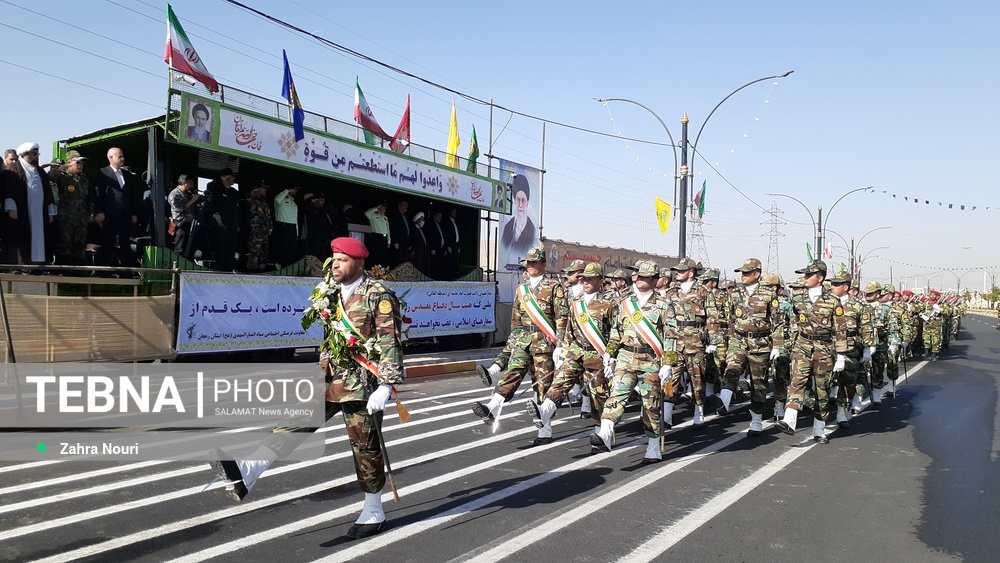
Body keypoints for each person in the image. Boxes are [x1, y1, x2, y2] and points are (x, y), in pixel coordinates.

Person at [209, 237, 403, 540]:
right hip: (329, 378)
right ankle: (249, 468)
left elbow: (390, 339)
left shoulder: (377, 294)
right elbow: (330, 338)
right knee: (296, 421)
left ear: (359, 263)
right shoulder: (330, 292)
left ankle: (374, 510)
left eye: (342, 260)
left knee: (365, 447)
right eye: (334, 259)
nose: (335, 264)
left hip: (362, 384)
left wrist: (387, 385)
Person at [473, 246, 567, 436]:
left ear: (543, 264)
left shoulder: (554, 287)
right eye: (528, 263)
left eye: (534, 262)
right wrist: (513, 343)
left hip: (544, 343)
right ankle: (493, 407)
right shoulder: (521, 290)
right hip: (524, 341)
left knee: (542, 384)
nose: (530, 266)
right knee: (512, 372)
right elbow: (516, 321)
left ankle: (545, 431)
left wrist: (560, 345)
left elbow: (562, 318)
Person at [591, 260, 676, 463]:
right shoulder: (626, 303)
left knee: (651, 405)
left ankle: (653, 446)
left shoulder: (664, 305)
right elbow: (616, 331)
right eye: (637, 275)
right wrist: (610, 353)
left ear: (654, 280)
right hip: (626, 358)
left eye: (644, 276)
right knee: (616, 395)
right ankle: (605, 433)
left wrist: (668, 363)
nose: (638, 279)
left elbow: (671, 336)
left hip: (651, 360)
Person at [527, 262, 616, 450]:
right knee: (561, 379)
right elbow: (570, 330)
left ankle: (601, 435)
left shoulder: (610, 303)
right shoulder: (577, 302)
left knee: (598, 396)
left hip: (597, 355)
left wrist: (612, 355)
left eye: (590, 279)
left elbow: (616, 332)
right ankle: (545, 410)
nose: (585, 282)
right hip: (576, 352)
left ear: (600, 280)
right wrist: (562, 350)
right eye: (584, 279)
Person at [709, 258, 783, 437]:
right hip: (739, 340)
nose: (743, 276)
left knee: (759, 384)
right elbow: (729, 318)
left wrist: (777, 346)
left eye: (747, 273)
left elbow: (777, 321)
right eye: (742, 273)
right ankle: (724, 402)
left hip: (760, 343)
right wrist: (725, 339)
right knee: (732, 369)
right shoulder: (734, 294)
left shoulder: (768, 294)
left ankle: (756, 421)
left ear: (756, 274)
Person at [778, 260, 848, 444]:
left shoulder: (832, 301)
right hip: (802, 346)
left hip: (824, 348)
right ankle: (789, 420)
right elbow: (792, 321)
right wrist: (789, 342)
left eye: (809, 275)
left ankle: (819, 429)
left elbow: (840, 330)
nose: (805, 278)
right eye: (805, 274)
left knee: (822, 390)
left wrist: (841, 356)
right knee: (796, 381)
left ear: (820, 278)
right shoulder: (797, 299)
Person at [661, 257, 715, 428]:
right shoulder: (671, 292)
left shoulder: (703, 291)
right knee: (670, 378)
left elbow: (712, 317)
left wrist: (713, 341)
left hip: (695, 341)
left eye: (681, 270)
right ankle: (666, 416)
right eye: (677, 270)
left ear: (691, 272)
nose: (677, 273)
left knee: (697, 379)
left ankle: (699, 411)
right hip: (674, 341)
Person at [828, 270, 875, 425]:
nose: (832, 287)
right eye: (832, 283)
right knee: (825, 381)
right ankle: (820, 416)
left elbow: (866, 327)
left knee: (847, 382)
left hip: (850, 348)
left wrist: (867, 348)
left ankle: (842, 413)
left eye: (836, 284)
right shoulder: (825, 303)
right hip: (827, 347)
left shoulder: (858, 306)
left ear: (846, 287)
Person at [1, 142, 56, 266]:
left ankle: (38, 264)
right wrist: (11, 208)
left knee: (40, 237)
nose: (37, 157)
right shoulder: (13, 169)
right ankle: (22, 265)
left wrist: (50, 211)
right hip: (21, 211)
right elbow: (8, 191)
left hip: (39, 212)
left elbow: (48, 192)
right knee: (21, 235)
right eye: (34, 154)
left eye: (37, 154)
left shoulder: (40, 171)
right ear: (25, 155)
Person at [93, 147, 142, 267]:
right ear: (110, 158)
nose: (122, 159)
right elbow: (98, 194)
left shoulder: (128, 175)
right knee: (108, 242)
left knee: (125, 243)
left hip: (125, 214)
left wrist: (134, 213)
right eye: (119, 156)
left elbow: (133, 195)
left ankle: (125, 269)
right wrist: (99, 211)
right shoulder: (102, 173)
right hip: (109, 214)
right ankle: (106, 270)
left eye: (123, 156)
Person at [47, 150, 93, 266]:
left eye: (82, 163)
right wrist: (62, 168)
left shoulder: (84, 179)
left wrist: (90, 213)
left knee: (80, 245)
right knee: (64, 244)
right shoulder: (62, 177)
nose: (80, 166)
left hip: (81, 218)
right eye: (77, 163)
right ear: (69, 163)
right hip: (66, 218)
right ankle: (63, 269)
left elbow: (90, 198)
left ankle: (79, 270)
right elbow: (50, 177)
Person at [204, 167, 240, 271]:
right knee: (220, 250)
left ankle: (229, 271)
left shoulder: (234, 192)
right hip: (220, 226)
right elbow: (210, 205)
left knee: (230, 251)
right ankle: (219, 271)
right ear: (226, 178)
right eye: (232, 177)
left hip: (232, 226)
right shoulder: (215, 189)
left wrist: (237, 224)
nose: (234, 179)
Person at [500, 174, 536, 262]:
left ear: (527, 203)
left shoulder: (532, 230)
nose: (520, 205)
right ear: (514, 201)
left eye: (523, 201)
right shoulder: (508, 227)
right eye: (518, 200)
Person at [167, 174, 201, 260]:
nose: (192, 186)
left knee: (190, 248)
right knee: (180, 247)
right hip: (180, 223)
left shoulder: (188, 194)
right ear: (185, 183)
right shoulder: (174, 194)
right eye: (190, 184)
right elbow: (178, 208)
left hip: (190, 223)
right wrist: (193, 200)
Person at [243, 179, 273, 272]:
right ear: (257, 189)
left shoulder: (264, 202)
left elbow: (268, 216)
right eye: (263, 188)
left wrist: (270, 228)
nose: (265, 190)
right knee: (254, 253)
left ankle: (262, 271)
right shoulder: (249, 200)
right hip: (254, 232)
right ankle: (251, 272)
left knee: (264, 254)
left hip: (265, 232)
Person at [272, 185, 300, 267]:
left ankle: (288, 267)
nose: (296, 191)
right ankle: (278, 266)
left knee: (292, 249)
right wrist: (287, 190)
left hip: (292, 228)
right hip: (283, 226)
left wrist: (297, 233)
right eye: (294, 189)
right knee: (282, 248)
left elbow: (295, 220)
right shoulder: (281, 199)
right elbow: (277, 199)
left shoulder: (294, 204)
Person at [301, 193, 333, 261]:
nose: (322, 202)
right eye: (320, 200)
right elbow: (304, 207)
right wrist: (312, 201)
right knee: (312, 258)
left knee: (322, 258)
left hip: (322, 239)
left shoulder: (322, 211)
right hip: (313, 239)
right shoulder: (309, 210)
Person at [364, 200, 390, 268]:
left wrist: (389, 241)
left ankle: (380, 271)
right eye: (383, 206)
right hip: (376, 236)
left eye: (386, 206)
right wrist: (376, 208)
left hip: (384, 238)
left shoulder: (385, 217)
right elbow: (366, 213)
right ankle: (372, 271)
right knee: (374, 255)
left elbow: (388, 230)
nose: (385, 208)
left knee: (382, 256)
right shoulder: (373, 215)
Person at [387, 200, 411, 267]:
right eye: (404, 205)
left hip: (405, 242)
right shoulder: (395, 215)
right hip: (399, 242)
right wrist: (395, 241)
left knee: (404, 260)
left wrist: (409, 242)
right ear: (399, 205)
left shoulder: (406, 216)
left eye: (407, 205)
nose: (406, 206)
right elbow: (393, 229)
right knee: (397, 260)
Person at [424, 209, 446, 279]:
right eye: (439, 216)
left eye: (441, 216)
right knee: (434, 265)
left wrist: (444, 248)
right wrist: (432, 248)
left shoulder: (441, 225)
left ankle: (438, 279)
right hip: (435, 249)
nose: (440, 217)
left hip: (441, 248)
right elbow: (430, 237)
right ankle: (433, 279)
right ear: (434, 216)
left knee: (440, 265)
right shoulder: (431, 225)